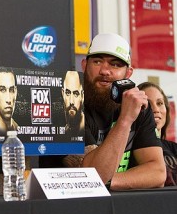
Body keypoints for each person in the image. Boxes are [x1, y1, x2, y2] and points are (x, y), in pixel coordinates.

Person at [80, 33, 166, 190]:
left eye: (115, 65)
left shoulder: (139, 105)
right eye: (97, 61)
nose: (105, 71)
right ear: (84, 65)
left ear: (128, 73)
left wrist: (108, 181)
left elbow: (158, 172)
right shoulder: (71, 105)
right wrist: (125, 121)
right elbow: (93, 176)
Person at [138, 82, 177, 186]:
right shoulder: (128, 150)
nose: (155, 110)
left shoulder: (174, 149)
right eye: (148, 104)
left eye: (159, 103)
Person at [0, 67, 19, 140]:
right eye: (3, 90)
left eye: (11, 90)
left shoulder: (17, 128)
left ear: (16, 92)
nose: (8, 99)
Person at [62, 70, 85, 137]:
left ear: (82, 96)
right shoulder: (65, 131)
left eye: (76, 94)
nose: (71, 101)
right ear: (63, 94)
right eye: (68, 93)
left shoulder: (86, 129)